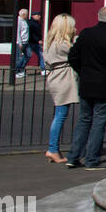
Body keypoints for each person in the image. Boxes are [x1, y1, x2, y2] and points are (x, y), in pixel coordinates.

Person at [65, 6, 106, 169]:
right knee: (99, 123)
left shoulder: (86, 33)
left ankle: (73, 156)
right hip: (105, 85)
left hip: (87, 83)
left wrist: (83, 71)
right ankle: (91, 159)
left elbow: (73, 56)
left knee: (84, 120)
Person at [42, 14, 79, 164]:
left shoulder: (50, 42)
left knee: (60, 114)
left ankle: (53, 148)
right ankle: (53, 149)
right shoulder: (63, 45)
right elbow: (76, 52)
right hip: (63, 79)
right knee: (61, 115)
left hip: (56, 78)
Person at [13, 8, 31, 77]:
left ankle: (21, 69)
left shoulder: (24, 21)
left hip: (26, 42)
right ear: (23, 14)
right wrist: (20, 43)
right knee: (19, 57)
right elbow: (17, 32)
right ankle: (16, 71)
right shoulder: (19, 21)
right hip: (20, 42)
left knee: (28, 55)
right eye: (27, 14)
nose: (27, 15)